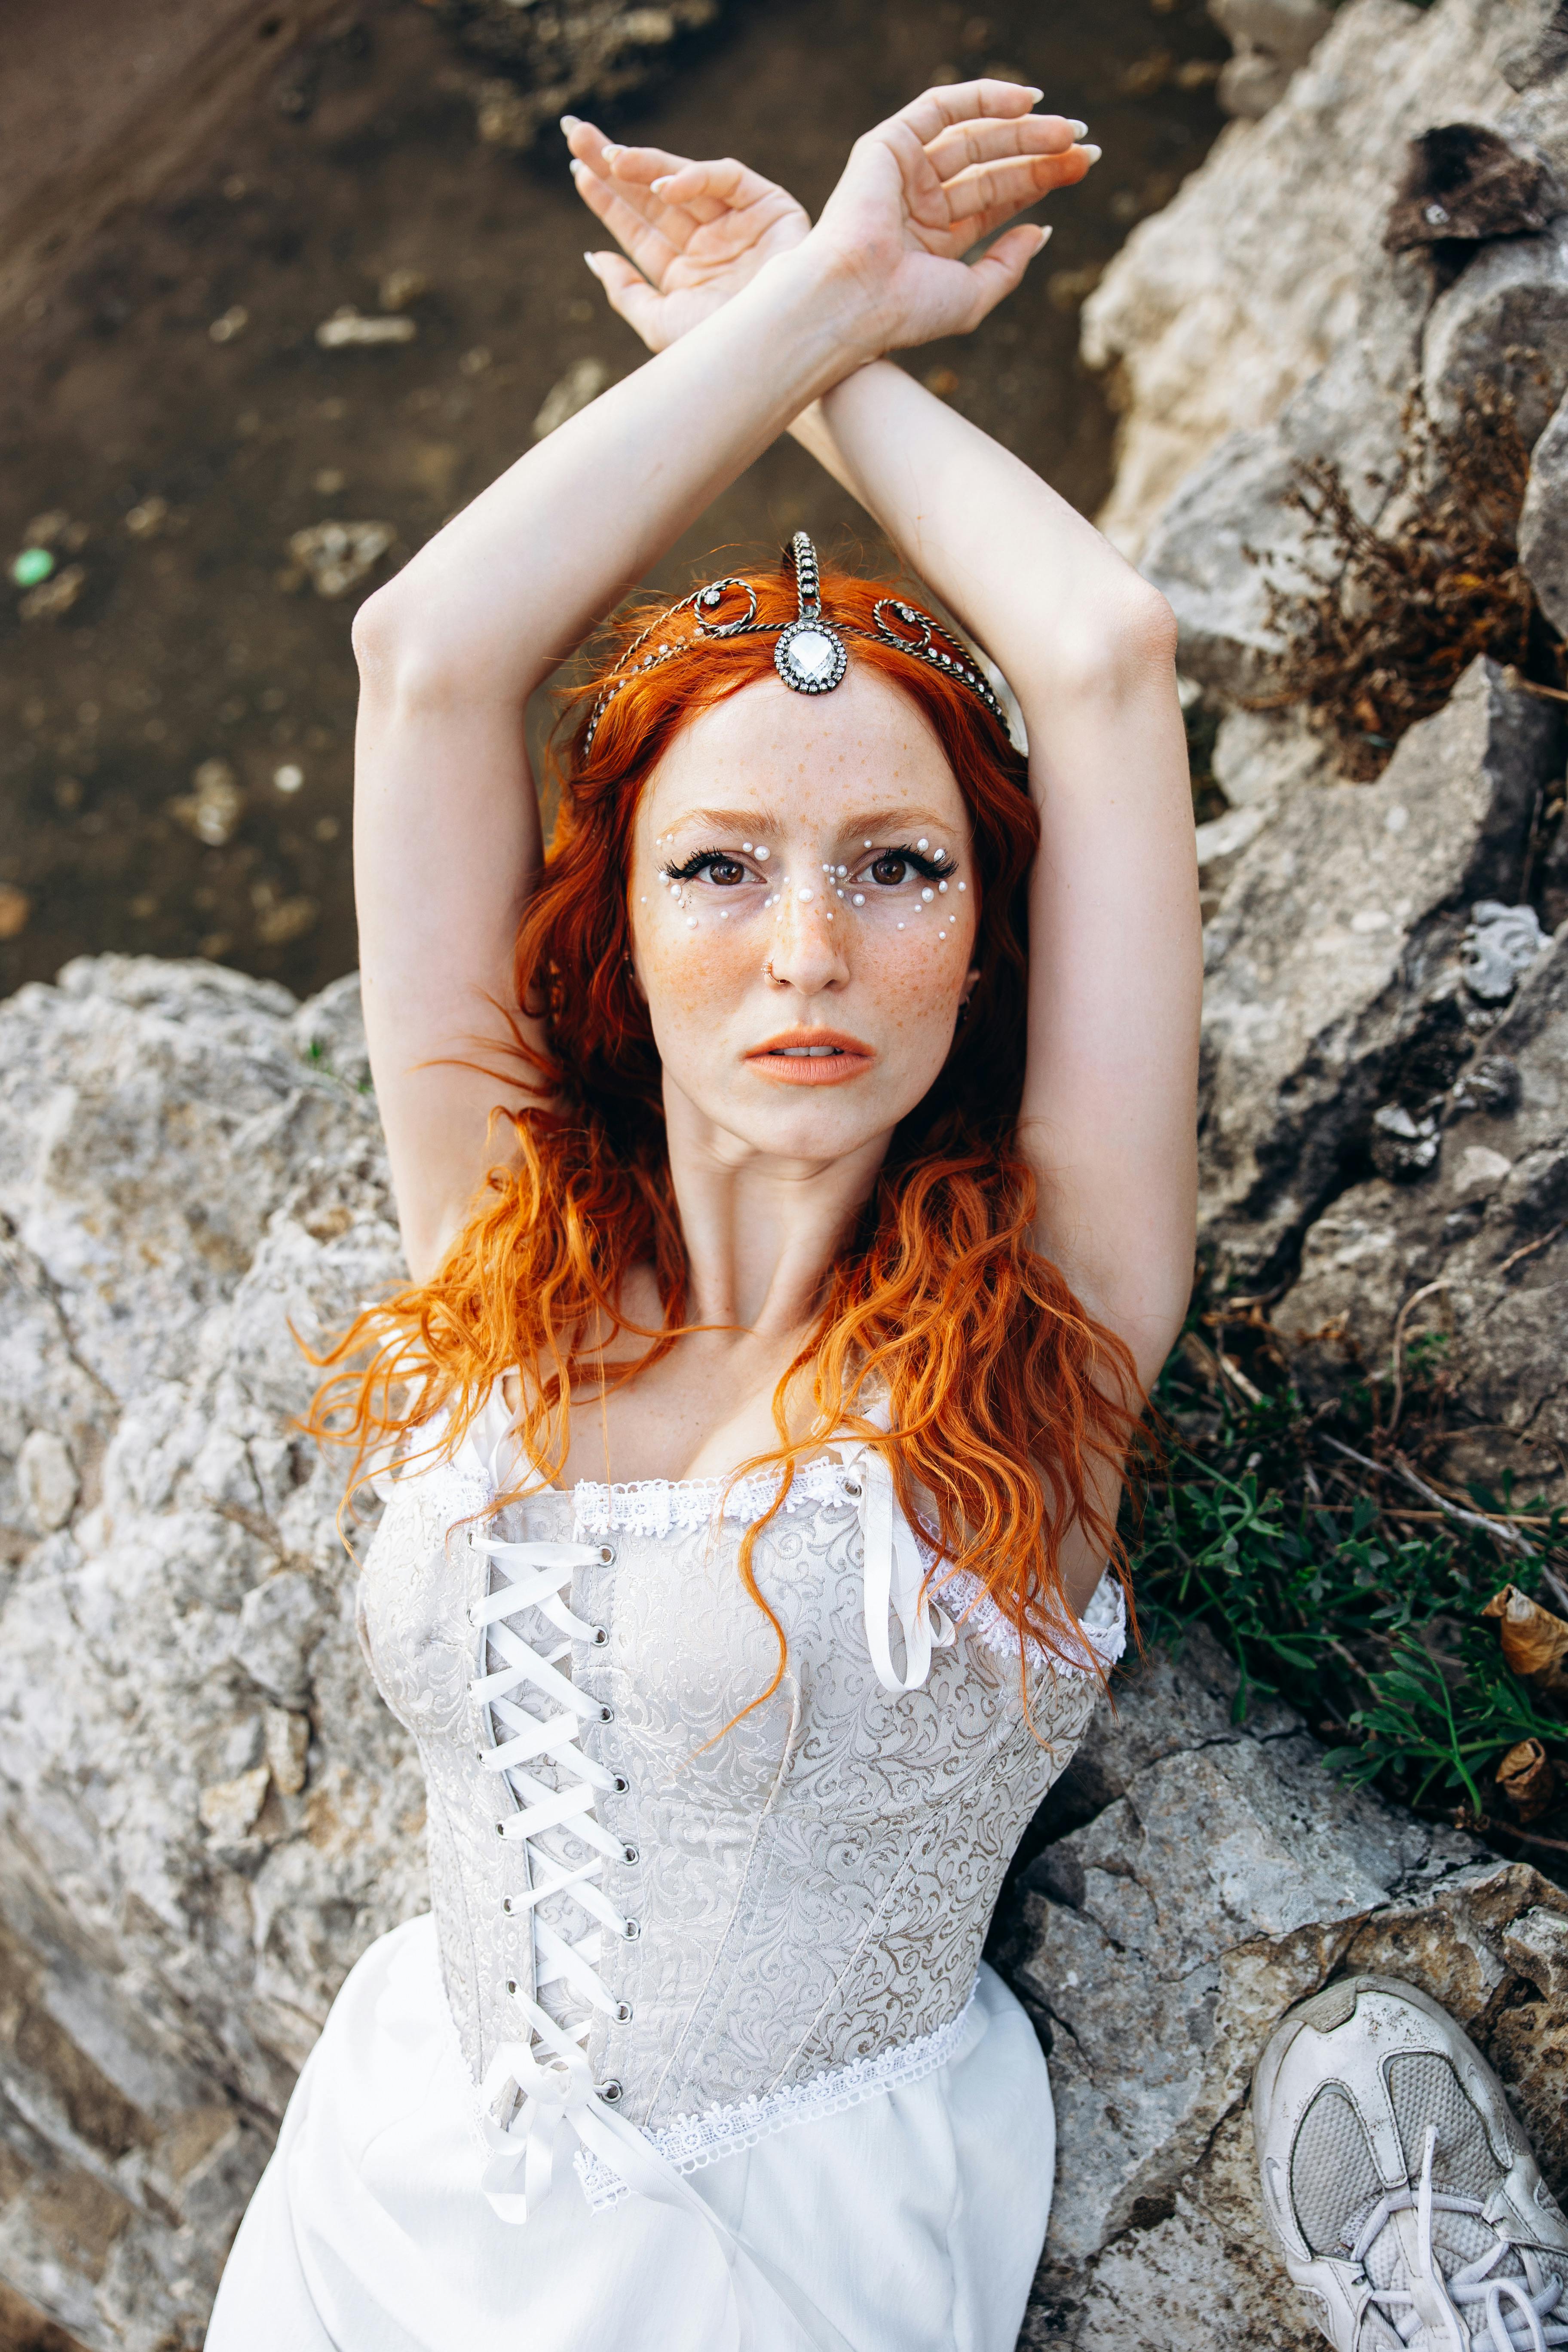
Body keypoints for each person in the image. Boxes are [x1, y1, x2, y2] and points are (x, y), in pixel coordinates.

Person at [209, 80, 1204, 2351]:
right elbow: (429, 656)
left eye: (897, 866)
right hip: (376, 2214)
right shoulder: (508, 1255)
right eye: (722, 864)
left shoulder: (1047, 1317)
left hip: (766, 2273)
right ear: (620, 926)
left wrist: (824, 342)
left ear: (984, 939)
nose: (804, 952)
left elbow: (1108, 652)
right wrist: (798, 303)